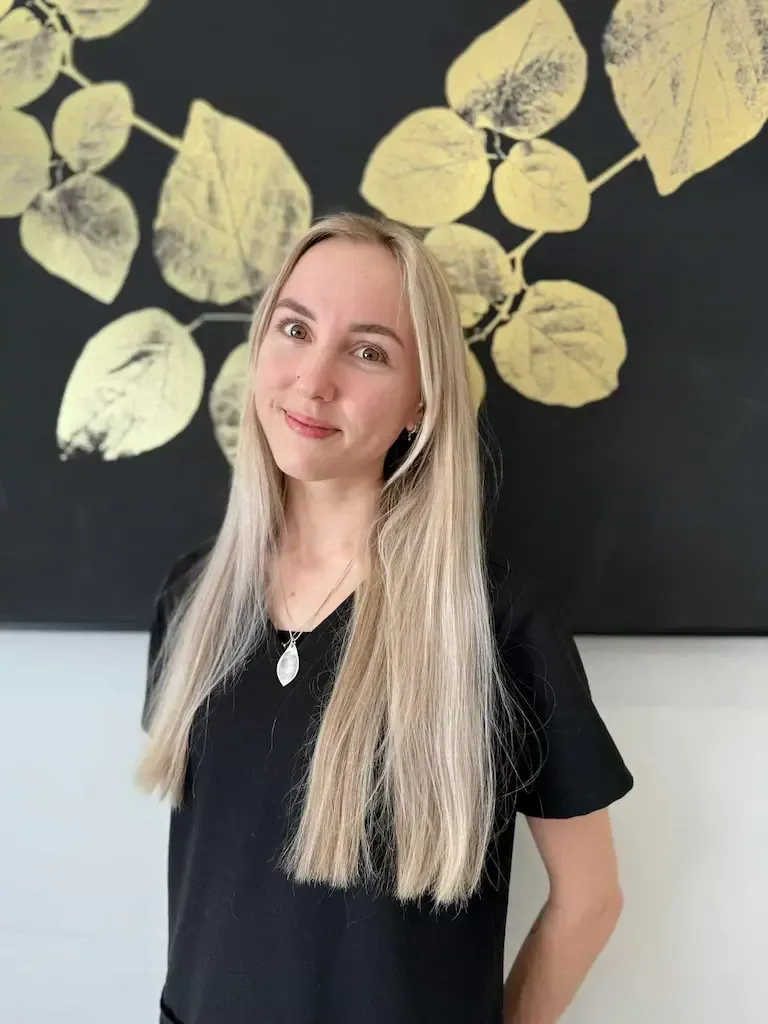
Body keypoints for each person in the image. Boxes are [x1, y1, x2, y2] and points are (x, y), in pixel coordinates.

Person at [135, 212, 633, 1024]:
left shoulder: (498, 628)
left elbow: (590, 902)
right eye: (295, 329)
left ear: (419, 403)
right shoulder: (191, 599)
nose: (313, 379)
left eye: (368, 352)